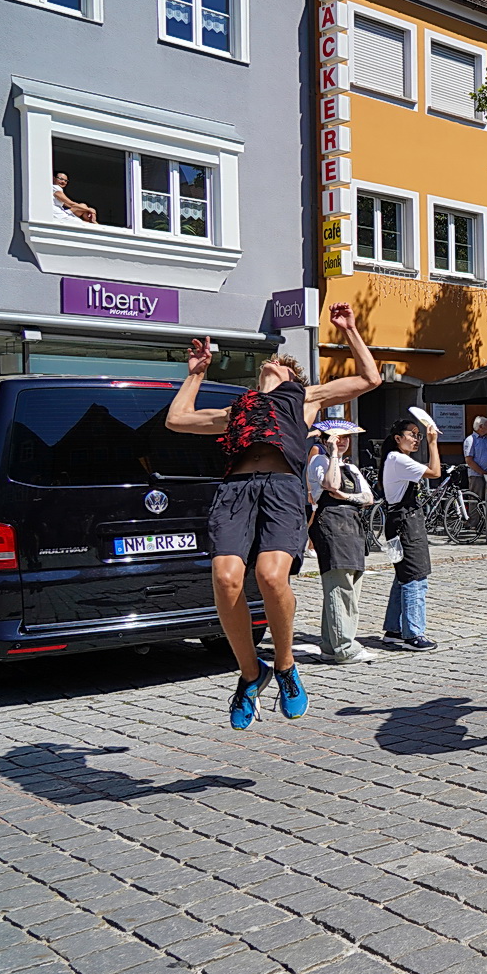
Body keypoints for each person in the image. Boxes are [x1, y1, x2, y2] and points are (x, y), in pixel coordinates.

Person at [166, 304, 381, 730]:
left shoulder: (305, 397)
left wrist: (350, 330)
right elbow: (177, 420)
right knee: (226, 579)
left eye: (279, 363)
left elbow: (370, 379)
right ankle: (251, 674)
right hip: (235, 491)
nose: (271, 362)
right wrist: (196, 372)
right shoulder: (238, 410)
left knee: (270, 576)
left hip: (282, 489)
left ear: (291, 376)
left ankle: (285, 665)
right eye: (269, 361)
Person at [306, 421, 374, 666]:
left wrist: (347, 497)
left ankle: (329, 646)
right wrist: (333, 454)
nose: (342, 441)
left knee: (350, 586)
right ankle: (345, 647)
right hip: (331, 525)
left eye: (345, 437)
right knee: (339, 587)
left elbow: (368, 498)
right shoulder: (319, 461)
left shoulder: (352, 468)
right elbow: (331, 485)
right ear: (325, 440)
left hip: (352, 526)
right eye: (336, 437)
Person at [380, 416, 441, 652]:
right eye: (412, 434)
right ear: (398, 439)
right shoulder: (398, 459)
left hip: (399, 522)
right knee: (415, 577)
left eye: (419, 435)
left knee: (402, 577)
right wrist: (433, 443)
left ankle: (394, 630)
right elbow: (435, 472)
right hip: (405, 524)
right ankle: (413, 633)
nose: (417, 439)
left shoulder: (396, 458)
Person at [463, 417, 487, 500]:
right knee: (476, 500)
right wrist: (482, 472)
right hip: (477, 476)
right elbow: (469, 461)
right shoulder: (470, 440)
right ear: (481, 426)